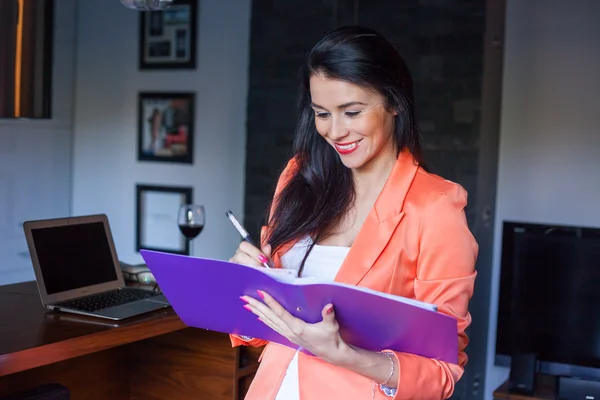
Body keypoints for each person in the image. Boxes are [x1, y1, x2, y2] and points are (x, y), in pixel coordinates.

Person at [229, 25, 478, 400]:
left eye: (352, 111)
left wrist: (343, 354)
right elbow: (260, 331)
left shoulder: (436, 205)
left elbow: (442, 371)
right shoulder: (299, 176)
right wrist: (244, 284)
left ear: (394, 103)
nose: (335, 131)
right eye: (322, 113)